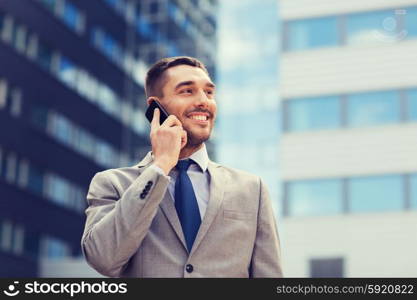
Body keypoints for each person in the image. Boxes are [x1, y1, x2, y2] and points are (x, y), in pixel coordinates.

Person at [81, 56, 283, 278]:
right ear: (155, 107)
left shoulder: (252, 189)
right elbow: (103, 259)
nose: (204, 101)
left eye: (209, 92)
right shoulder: (113, 184)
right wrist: (160, 167)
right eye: (187, 91)